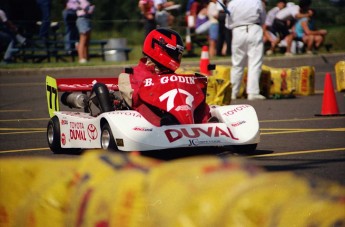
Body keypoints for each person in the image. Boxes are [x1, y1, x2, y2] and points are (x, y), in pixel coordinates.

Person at [118, 28, 210, 125]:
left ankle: (207, 123)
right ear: (158, 48)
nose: (177, 57)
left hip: (181, 118)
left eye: (179, 54)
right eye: (174, 53)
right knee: (143, 105)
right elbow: (135, 100)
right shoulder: (131, 74)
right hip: (149, 124)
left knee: (197, 103)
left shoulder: (172, 75)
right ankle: (168, 122)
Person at [225, 0, 266, 100]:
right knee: (255, 63)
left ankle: (233, 92)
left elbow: (228, 23)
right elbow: (263, 17)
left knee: (237, 63)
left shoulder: (232, 3)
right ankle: (253, 92)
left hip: (238, 31)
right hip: (254, 28)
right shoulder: (256, 1)